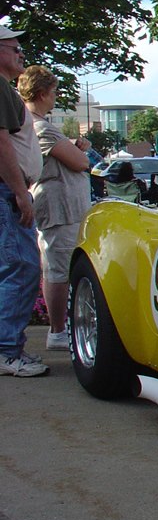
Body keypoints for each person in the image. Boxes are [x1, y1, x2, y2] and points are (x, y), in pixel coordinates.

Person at [18, 65, 93, 351]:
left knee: (60, 266)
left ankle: (60, 329)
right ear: (41, 93)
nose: (56, 97)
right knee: (58, 269)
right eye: (53, 92)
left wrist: (72, 143)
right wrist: (76, 149)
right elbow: (80, 162)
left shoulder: (37, 125)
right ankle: (58, 331)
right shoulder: (38, 126)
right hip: (59, 211)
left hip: (66, 209)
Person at [0, 26, 48, 377]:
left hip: (8, 190)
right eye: (14, 48)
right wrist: (20, 192)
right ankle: (6, 352)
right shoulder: (1, 88)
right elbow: (2, 144)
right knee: (21, 267)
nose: (21, 54)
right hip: (7, 191)